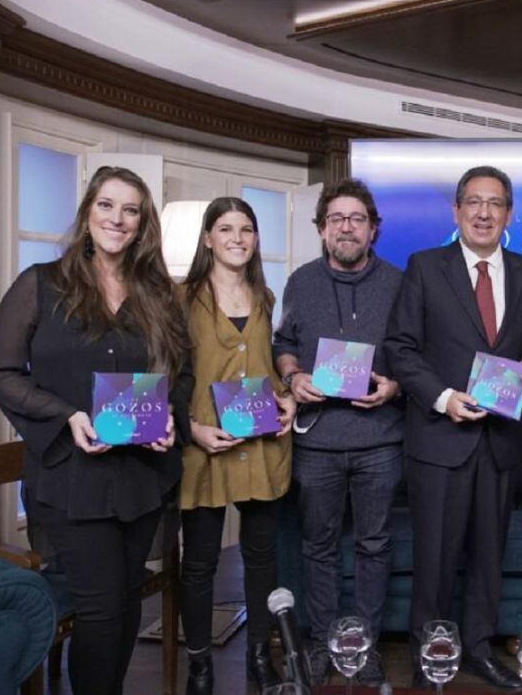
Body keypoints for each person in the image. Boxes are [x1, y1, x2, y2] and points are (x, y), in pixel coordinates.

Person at [0, 166, 190, 695]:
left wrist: (170, 418)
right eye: (106, 205)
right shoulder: (40, 283)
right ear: (87, 212)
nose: (117, 219)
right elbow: (0, 374)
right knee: (100, 611)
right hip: (70, 480)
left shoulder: (160, 295)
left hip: (142, 479)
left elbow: (182, 375)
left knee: (124, 607)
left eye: (130, 210)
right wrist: (65, 416)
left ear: (142, 224)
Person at [383, 165, 522, 690]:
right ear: (456, 211)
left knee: (487, 559)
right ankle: (430, 656)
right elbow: (401, 349)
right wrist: (445, 398)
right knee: (434, 560)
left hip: (501, 442)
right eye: (473, 203)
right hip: (440, 440)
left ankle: (477, 650)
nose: (483, 213)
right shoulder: (425, 267)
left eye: (495, 204)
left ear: (509, 215)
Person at [273, 178, 404, 687]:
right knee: (318, 546)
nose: (346, 227)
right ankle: (325, 640)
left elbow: (413, 352)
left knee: (375, 545)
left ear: (373, 229)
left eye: (356, 219)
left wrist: (394, 387)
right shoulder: (301, 282)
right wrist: (292, 376)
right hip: (317, 441)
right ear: (322, 229)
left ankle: (364, 644)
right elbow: (283, 342)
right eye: (336, 219)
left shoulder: (399, 281)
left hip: (381, 441)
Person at [178, 197, 295, 694]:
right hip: (205, 442)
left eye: (246, 229)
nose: (237, 238)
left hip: (263, 440)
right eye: (225, 228)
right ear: (207, 238)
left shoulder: (265, 295)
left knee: (262, 553)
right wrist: (188, 427)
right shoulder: (179, 297)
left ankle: (257, 654)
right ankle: (200, 662)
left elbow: (269, 366)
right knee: (201, 559)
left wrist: (287, 399)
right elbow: (167, 372)